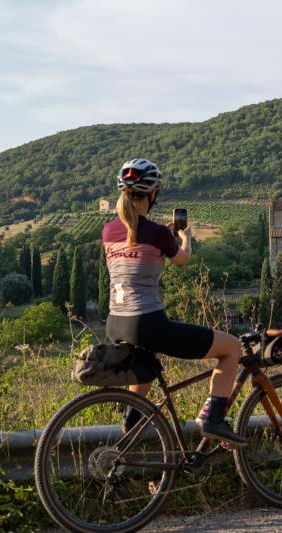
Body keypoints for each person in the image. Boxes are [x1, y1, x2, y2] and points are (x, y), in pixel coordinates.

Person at [102, 158, 245, 445]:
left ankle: (131, 425)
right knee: (231, 348)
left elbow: (138, 249)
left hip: (116, 323)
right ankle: (212, 419)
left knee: (147, 364)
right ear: (153, 194)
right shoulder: (156, 233)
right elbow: (183, 259)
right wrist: (185, 238)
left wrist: (163, 237)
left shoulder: (108, 230)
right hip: (148, 322)